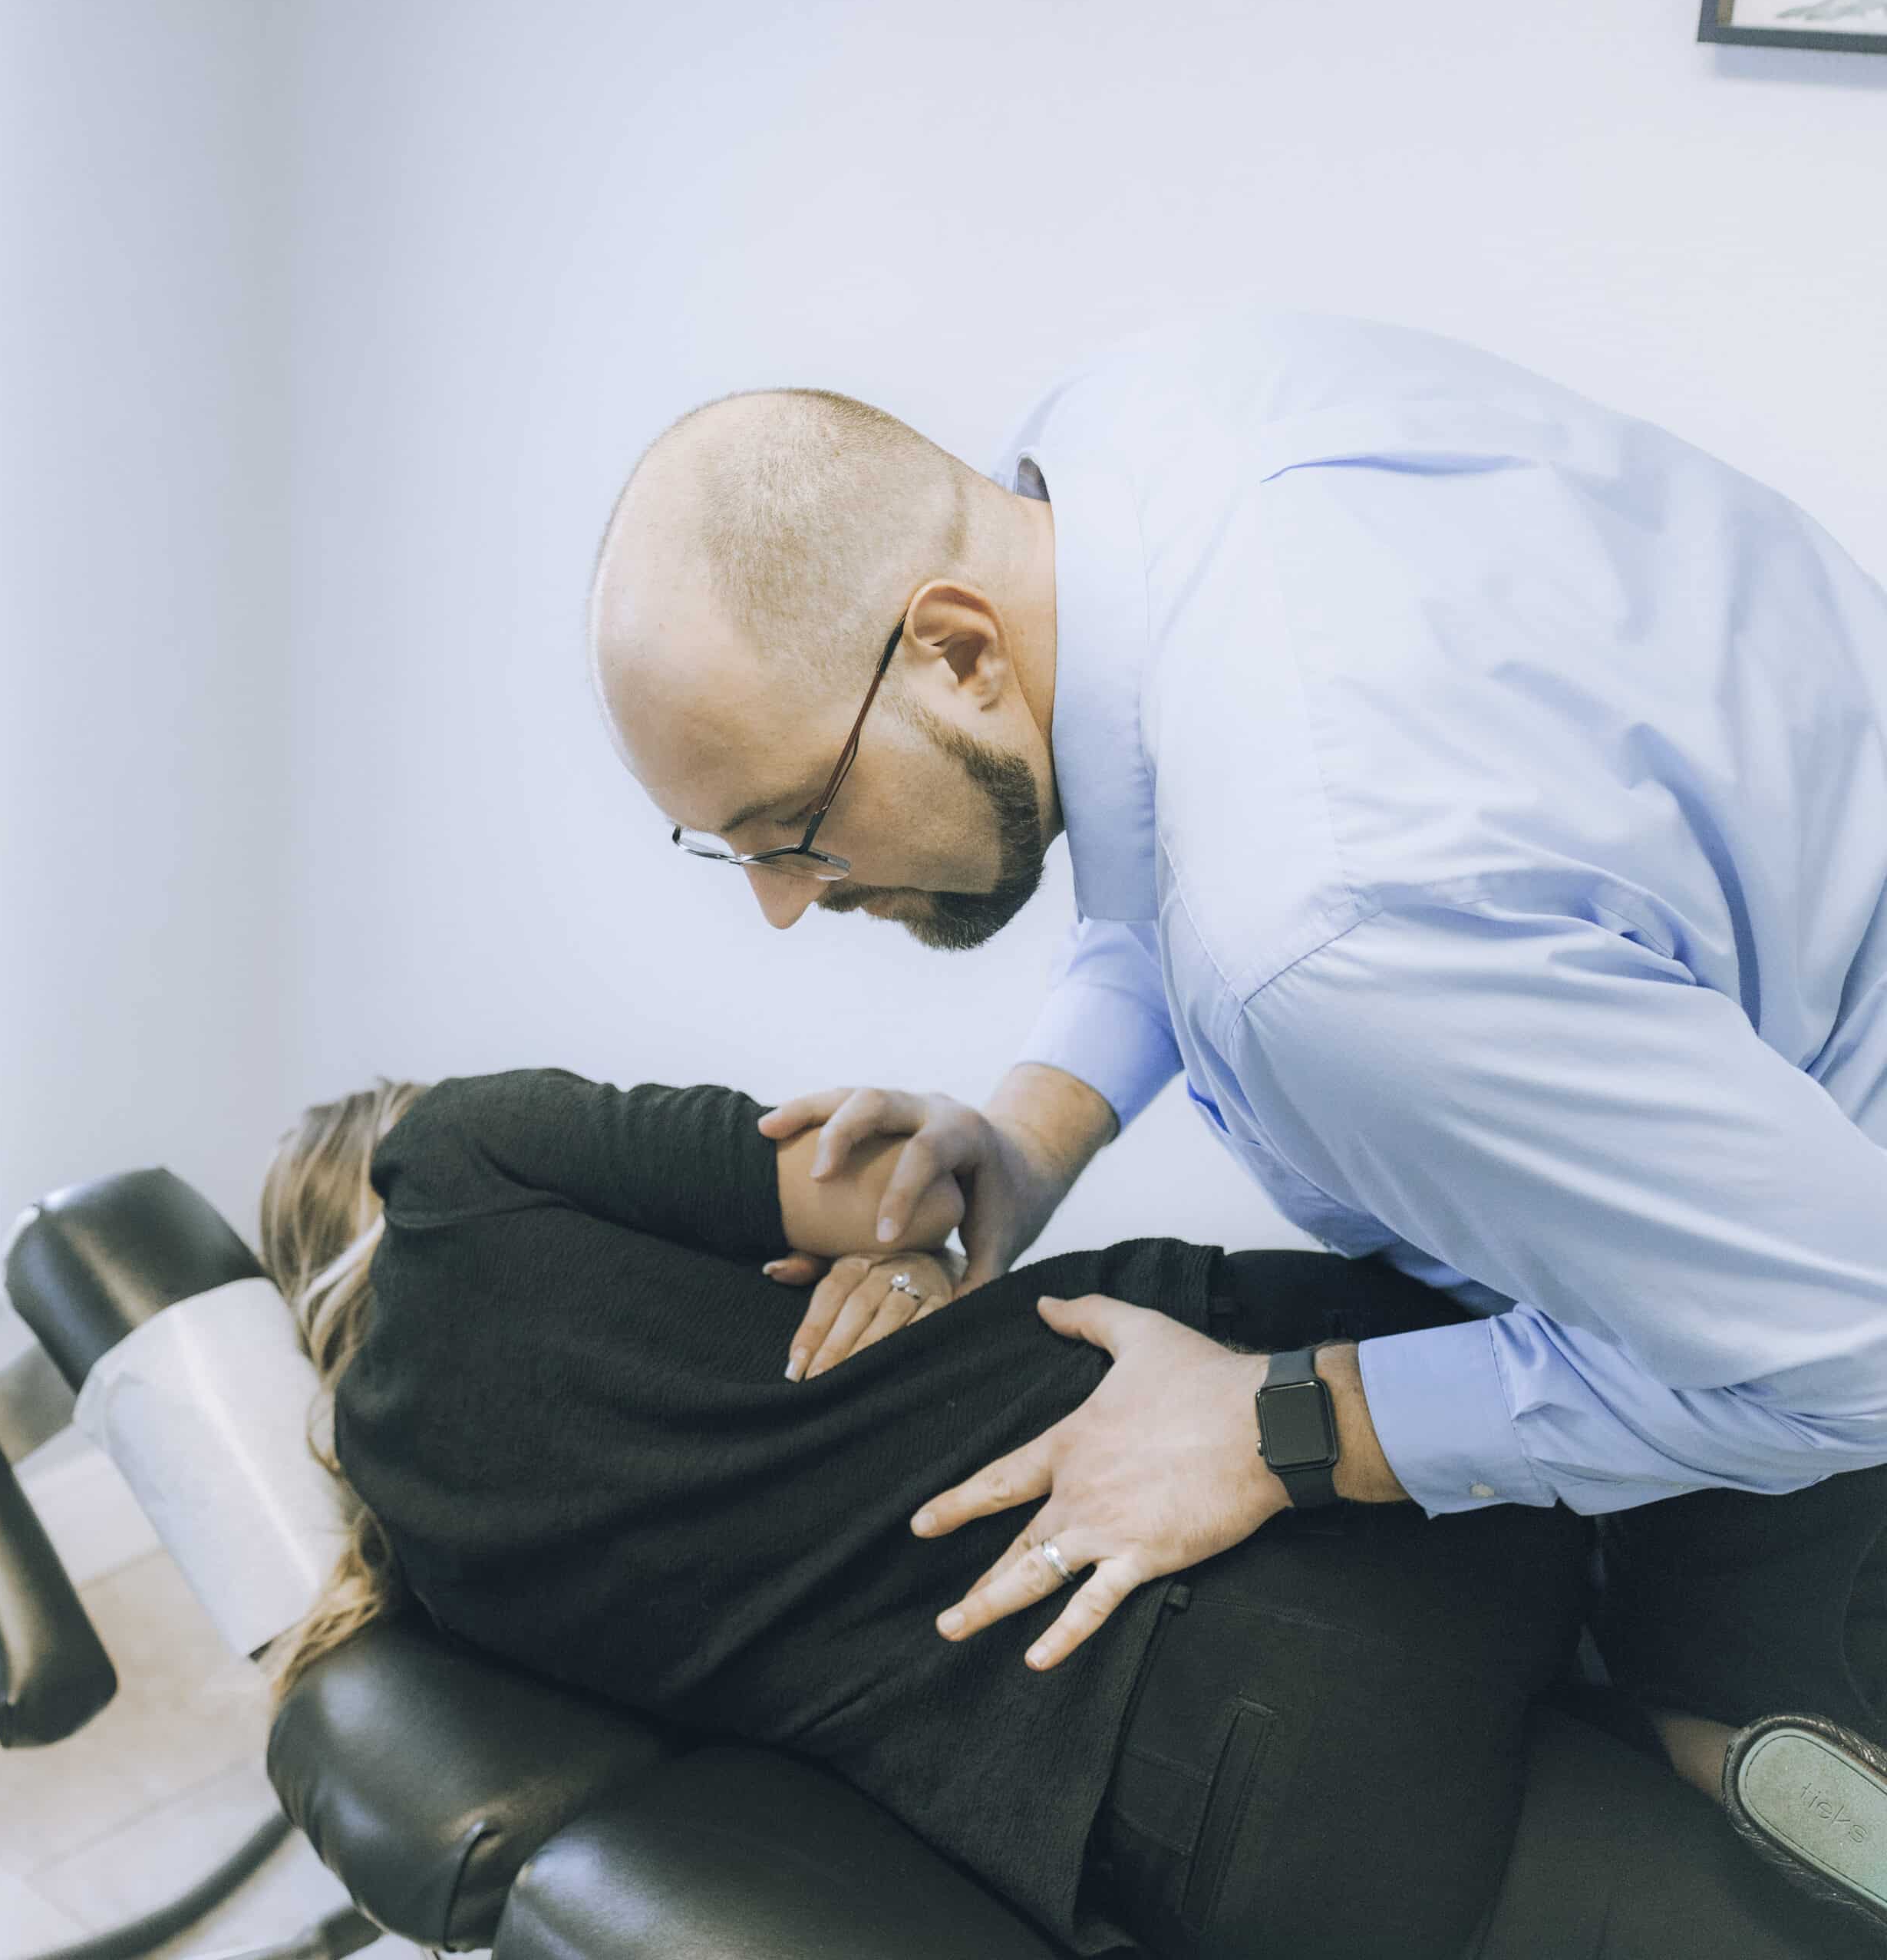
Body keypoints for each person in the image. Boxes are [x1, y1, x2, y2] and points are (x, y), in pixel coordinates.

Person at [585, 305, 1887, 1927]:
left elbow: (1850, 1356)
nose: (786, 905)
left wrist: (1283, 1424)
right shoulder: (1129, 437)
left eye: (792, 830)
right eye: (736, 853)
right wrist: (1024, 1133)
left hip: (1827, 1271)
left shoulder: (1325, 939)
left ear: (956, 648)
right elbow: (1165, 841)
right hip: (1790, 949)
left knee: (1750, 1770)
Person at [254, 1066, 1859, 1959]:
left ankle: (1708, 1780)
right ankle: (1721, 1733)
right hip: (1296, 1482)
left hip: (1214, 1803)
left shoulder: (430, 1569)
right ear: (378, 1164)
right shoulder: (458, 1155)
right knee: (1664, 1515)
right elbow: (894, 1187)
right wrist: (888, 1248)